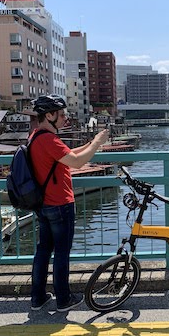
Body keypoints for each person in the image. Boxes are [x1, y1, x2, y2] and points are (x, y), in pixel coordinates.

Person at [28, 94, 109, 312]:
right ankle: (63, 299)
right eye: (61, 114)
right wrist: (98, 144)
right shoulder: (48, 139)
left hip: (44, 204)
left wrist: (91, 144)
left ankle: (37, 298)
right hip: (60, 204)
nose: (65, 118)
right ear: (49, 115)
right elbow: (78, 162)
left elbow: (69, 155)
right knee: (62, 253)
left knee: (43, 251)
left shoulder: (36, 136)